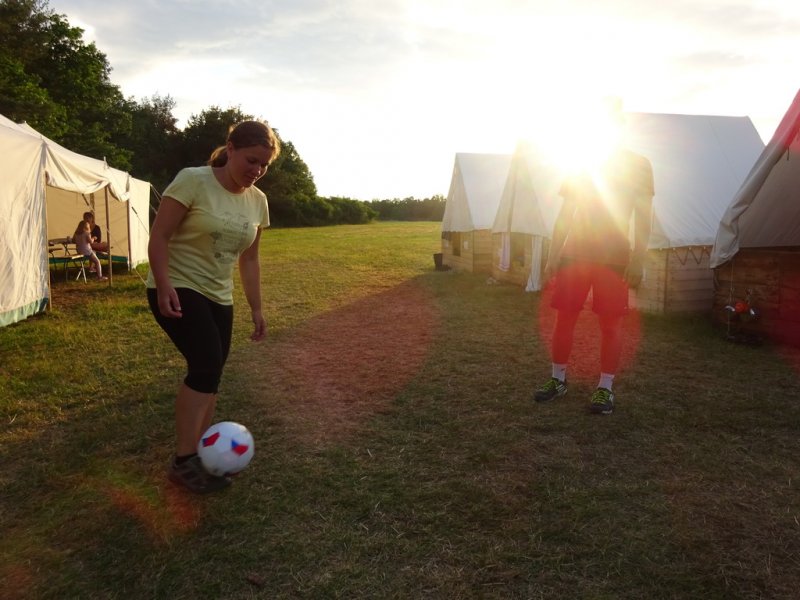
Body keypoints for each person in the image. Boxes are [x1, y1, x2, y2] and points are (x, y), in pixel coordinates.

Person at [146, 120, 280, 494]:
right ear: (231, 149)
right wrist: (163, 284)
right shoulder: (193, 180)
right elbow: (159, 235)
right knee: (205, 364)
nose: (257, 170)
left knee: (212, 372)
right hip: (177, 285)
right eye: (251, 160)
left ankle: (203, 454)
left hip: (219, 295)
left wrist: (256, 309)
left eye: (264, 165)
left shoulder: (258, 201)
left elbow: (249, 260)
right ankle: (184, 461)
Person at [533, 105, 654, 415]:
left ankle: (605, 388)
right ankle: (558, 379)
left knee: (611, 325)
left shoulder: (639, 165)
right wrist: (552, 255)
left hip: (614, 258)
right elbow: (565, 214)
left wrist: (638, 259)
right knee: (564, 319)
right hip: (573, 255)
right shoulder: (581, 162)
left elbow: (644, 218)